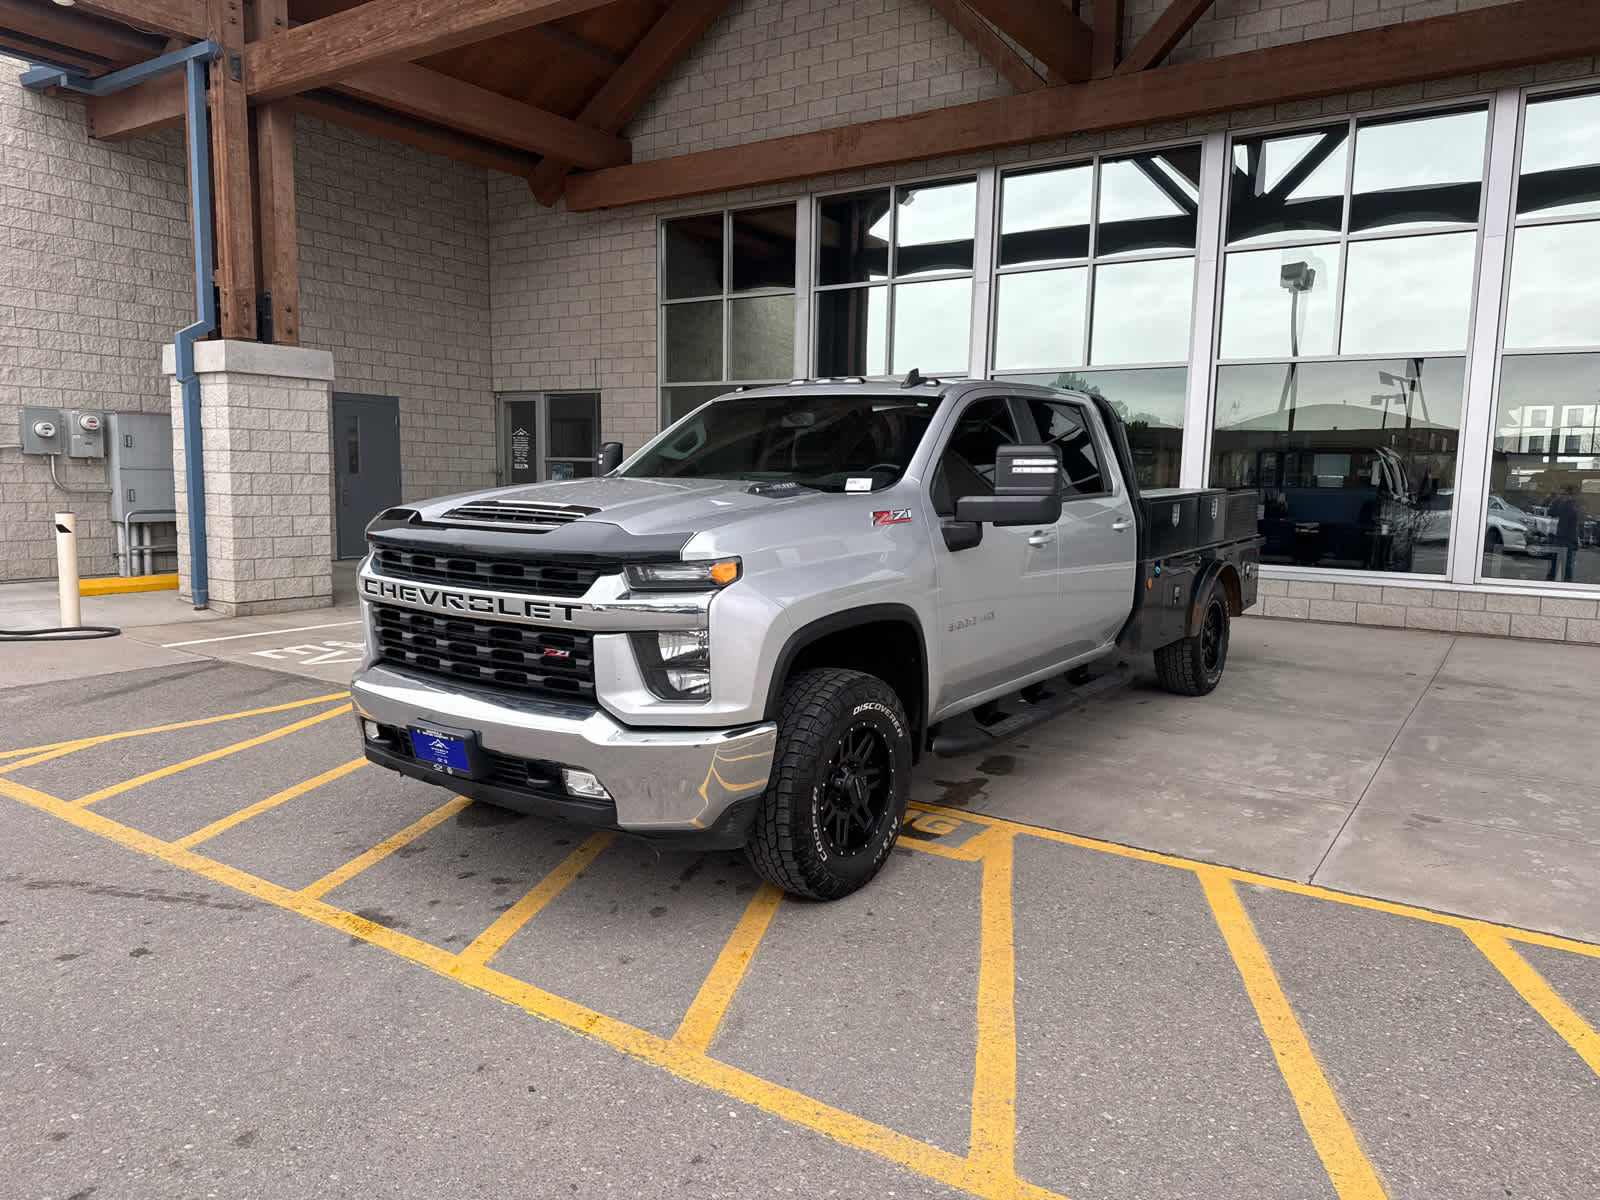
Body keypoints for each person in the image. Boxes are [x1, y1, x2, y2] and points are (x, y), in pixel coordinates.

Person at [1547, 485, 1583, 583]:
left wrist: (1565, 501)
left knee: (1567, 565)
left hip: (1569, 538)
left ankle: (1567, 584)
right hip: (1560, 537)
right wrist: (1558, 501)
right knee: (1555, 562)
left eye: (1565, 494)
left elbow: (1577, 516)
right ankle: (1550, 582)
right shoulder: (1560, 503)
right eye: (1561, 494)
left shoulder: (1574, 504)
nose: (1563, 496)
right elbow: (1551, 512)